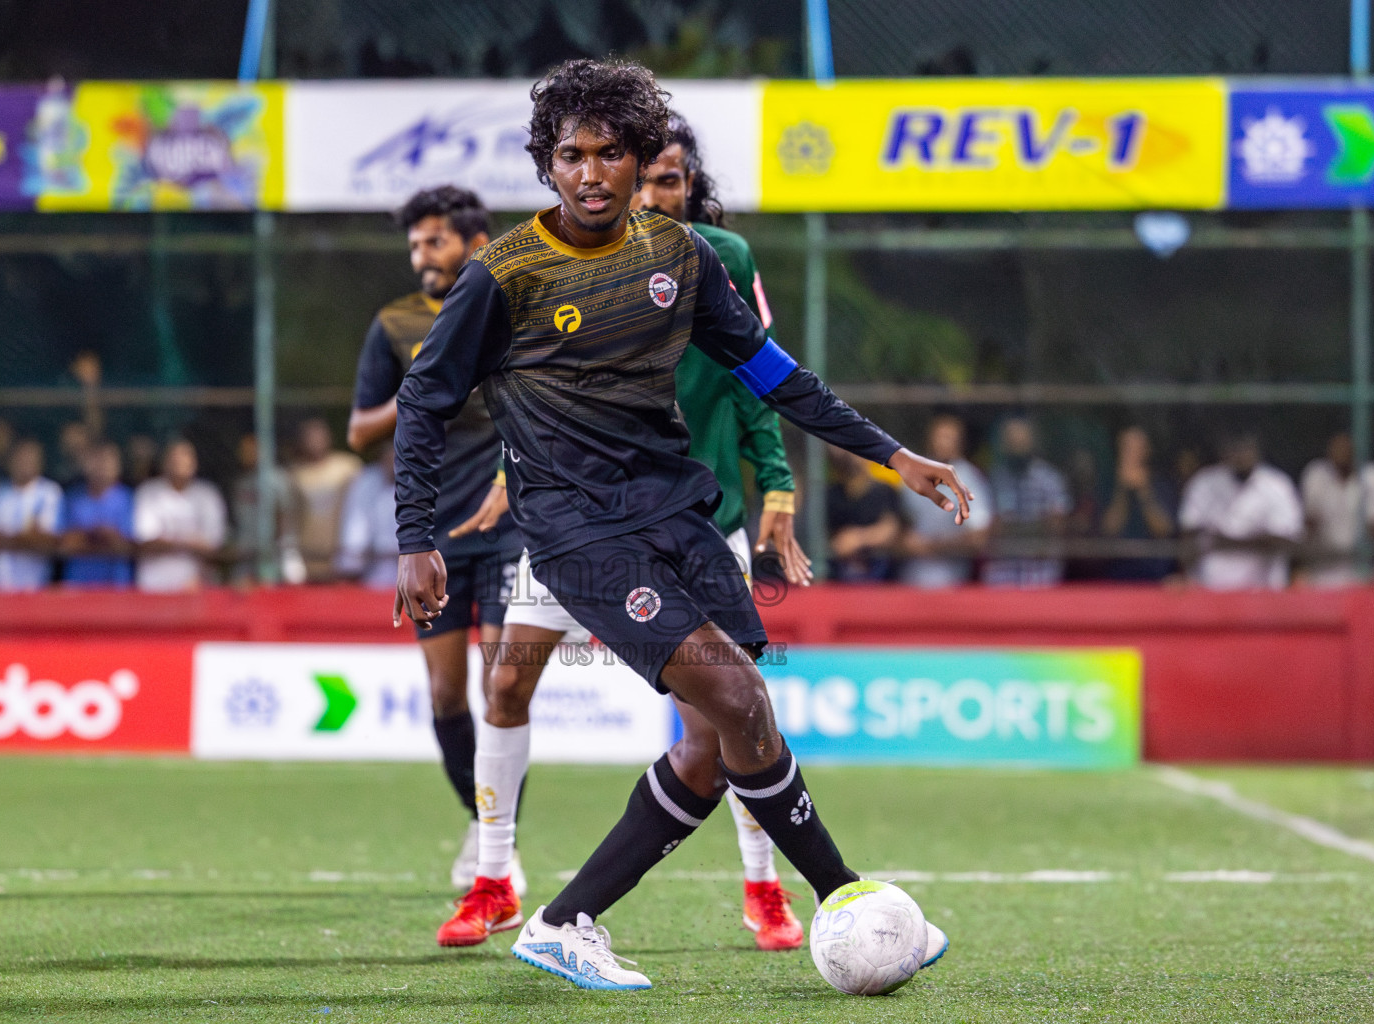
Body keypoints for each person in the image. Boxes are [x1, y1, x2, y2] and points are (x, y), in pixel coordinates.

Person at [391, 59, 967, 990]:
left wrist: (891, 454)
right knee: (736, 697)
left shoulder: (681, 256)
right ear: (546, 165)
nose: (589, 173)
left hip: (678, 514)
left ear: (642, 158)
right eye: (569, 155)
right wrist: (415, 537)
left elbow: (772, 377)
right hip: (577, 532)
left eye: (609, 153)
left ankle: (568, 921)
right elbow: (423, 401)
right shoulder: (503, 275)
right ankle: (847, 897)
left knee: (712, 741)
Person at [439, 111, 814, 952]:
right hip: (577, 529)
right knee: (505, 683)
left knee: (725, 716)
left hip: (694, 521)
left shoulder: (719, 259)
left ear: (689, 185)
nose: (649, 192)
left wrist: (777, 485)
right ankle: (495, 879)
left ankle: (765, 888)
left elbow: (760, 375)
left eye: (669, 178)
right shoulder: (566, 266)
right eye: (642, 178)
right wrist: (513, 474)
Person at [348, 185, 525, 894]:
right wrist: (427, 383)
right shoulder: (394, 323)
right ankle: (485, 825)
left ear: (474, 245)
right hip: (432, 536)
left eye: (435, 242)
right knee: (447, 695)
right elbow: (359, 429)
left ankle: (498, 848)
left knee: (503, 685)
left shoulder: (513, 309)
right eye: (415, 244)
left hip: (512, 527)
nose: (422, 256)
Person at [1179, 432, 1302, 589]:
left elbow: (1287, 539)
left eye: (1246, 448)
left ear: (1257, 451)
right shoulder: (1204, 482)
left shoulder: (1277, 485)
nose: (1241, 455)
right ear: (1225, 452)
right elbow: (1189, 534)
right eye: (1236, 449)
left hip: (1264, 592)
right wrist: (1259, 540)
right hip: (1211, 589)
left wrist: (1225, 541)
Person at [899, 413, 993, 587]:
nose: (944, 442)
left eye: (950, 437)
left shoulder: (970, 479)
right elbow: (899, 526)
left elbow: (978, 538)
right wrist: (903, 540)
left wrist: (931, 546)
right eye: (940, 436)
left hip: (954, 586)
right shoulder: (911, 474)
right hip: (910, 584)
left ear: (961, 442)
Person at [982, 415, 1070, 588]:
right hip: (1003, 571)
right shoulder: (995, 479)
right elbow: (991, 528)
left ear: (1032, 442)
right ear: (1004, 444)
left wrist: (1013, 527)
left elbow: (1056, 526)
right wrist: (1035, 525)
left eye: (1022, 441)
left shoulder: (1049, 478)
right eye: (1013, 441)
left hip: (1041, 570)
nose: (1017, 447)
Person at [132, 438, 227, 592]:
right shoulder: (148, 492)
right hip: (154, 586)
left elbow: (212, 545)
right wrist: (189, 542)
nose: (180, 464)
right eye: (174, 459)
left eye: (185, 458)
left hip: (197, 587)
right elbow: (146, 541)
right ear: (164, 463)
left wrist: (169, 541)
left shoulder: (208, 494)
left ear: (194, 463)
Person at [1298, 432, 1374, 587]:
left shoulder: (1373, 476)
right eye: (1336, 449)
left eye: (1345, 449)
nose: (1340, 453)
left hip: (1362, 570)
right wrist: (1300, 566)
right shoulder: (1316, 474)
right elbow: (1309, 526)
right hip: (1323, 569)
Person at [0, 438, 63, 592]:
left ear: (40, 462)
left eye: (30, 458)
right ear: (10, 461)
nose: (25, 463)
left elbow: (47, 541)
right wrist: (24, 538)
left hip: (37, 586)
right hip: (0, 586)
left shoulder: (50, 492)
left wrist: (5, 539)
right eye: (20, 458)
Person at [1098, 426, 1176, 582]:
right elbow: (1109, 530)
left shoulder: (1161, 484)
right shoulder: (1107, 484)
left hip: (1155, 573)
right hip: (1117, 573)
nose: (1132, 453)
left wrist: (1144, 491)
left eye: (1137, 448)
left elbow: (1163, 530)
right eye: (1127, 448)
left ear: (1148, 451)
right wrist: (1122, 489)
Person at [289, 417, 361, 582]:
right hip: (308, 555)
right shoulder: (295, 474)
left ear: (329, 437)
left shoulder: (348, 467)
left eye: (319, 436)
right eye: (310, 436)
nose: (315, 441)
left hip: (342, 554)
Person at [61, 439, 135, 588]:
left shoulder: (128, 499)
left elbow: (128, 545)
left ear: (118, 466)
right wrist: (93, 534)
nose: (102, 466)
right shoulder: (73, 497)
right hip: (77, 584)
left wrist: (106, 536)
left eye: (108, 461)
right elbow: (64, 544)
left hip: (116, 585)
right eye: (97, 460)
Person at [230, 433, 303, 584]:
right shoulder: (241, 483)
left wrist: (271, 548)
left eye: (252, 449)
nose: (247, 454)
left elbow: (285, 517)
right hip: (246, 555)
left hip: (277, 553)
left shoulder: (277, 479)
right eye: (244, 450)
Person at [827, 449, 903, 581]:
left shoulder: (883, 491)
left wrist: (858, 539)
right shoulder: (831, 494)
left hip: (879, 571)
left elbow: (891, 530)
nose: (853, 459)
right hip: (839, 572)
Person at [334, 447, 401, 588]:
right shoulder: (366, 480)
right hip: (372, 573)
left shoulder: (422, 480)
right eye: (390, 451)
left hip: (413, 571)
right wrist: (350, 564)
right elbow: (355, 529)